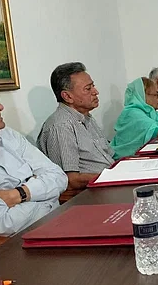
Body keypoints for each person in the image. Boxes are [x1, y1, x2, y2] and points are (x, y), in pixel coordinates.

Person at [0, 73, 67, 237]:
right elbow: (3, 223)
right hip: (14, 248)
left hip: (58, 222)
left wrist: (18, 195)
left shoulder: (7, 136)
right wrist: (47, 196)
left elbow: (59, 176)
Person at [38, 62, 114, 190]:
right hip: (89, 191)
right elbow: (71, 180)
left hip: (108, 181)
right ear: (67, 96)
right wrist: (111, 177)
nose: (96, 92)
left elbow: (109, 156)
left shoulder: (86, 117)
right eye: (88, 88)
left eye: (93, 86)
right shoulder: (61, 126)